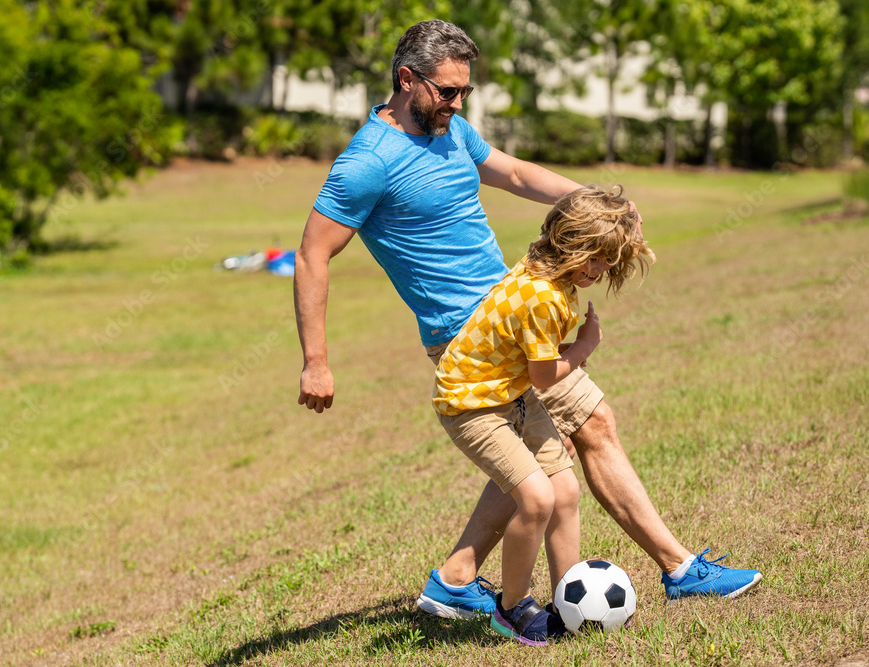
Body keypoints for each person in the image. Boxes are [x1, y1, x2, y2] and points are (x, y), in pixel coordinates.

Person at [293, 19, 762, 620]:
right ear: (406, 79)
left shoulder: (451, 131)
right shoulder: (368, 162)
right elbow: (312, 254)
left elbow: (514, 173)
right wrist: (316, 362)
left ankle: (458, 579)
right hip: (472, 337)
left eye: (465, 90)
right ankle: (677, 569)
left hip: (513, 314)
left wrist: (596, 204)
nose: (458, 103)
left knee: (552, 451)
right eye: (446, 91)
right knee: (584, 430)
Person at [433, 186, 651, 644]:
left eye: (607, 262)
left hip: (509, 393)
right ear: (568, 242)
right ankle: (512, 609)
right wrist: (585, 347)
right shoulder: (544, 297)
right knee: (536, 499)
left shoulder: (549, 274)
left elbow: (537, 364)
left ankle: (567, 600)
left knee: (564, 487)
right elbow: (547, 376)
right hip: (473, 405)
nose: (598, 271)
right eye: (592, 258)